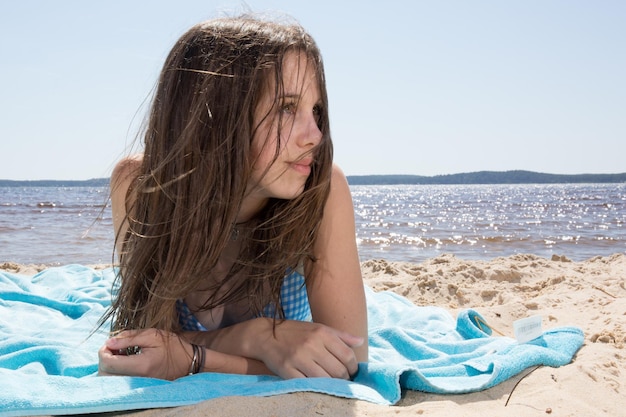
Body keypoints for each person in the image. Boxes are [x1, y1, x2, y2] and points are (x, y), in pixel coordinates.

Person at [97, 15, 368, 381]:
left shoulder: (322, 189)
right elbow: (142, 344)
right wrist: (257, 338)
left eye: (316, 111)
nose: (315, 135)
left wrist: (195, 356)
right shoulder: (141, 185)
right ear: (216, 113)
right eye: (287, 108)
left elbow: (349, 361)